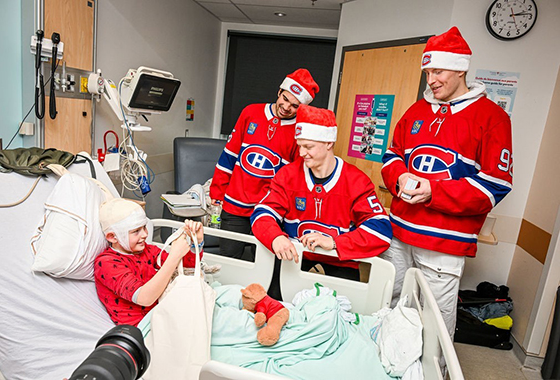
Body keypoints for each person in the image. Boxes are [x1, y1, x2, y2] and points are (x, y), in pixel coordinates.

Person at [380, 26, 513, 339]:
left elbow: (495, 185)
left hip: (443, 243)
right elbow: (391, 155)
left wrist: (432, 191)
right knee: (390, 304)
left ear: (461, 68)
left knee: (433, 324)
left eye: (438, 71)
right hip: (398, 233)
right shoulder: (416, 110)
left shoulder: (492, 118)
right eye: (427, 72)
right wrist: (399, 176)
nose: (431, 80)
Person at [251, 105, 392, 281]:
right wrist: (275, 237)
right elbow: (262, 214)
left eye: (308, 146)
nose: (302, 153)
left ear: (328, 143)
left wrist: (334, 242)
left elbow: (381, 232)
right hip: (294, 260)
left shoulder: (356, 181)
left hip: (339, 263)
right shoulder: (287, 175)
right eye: (299, 145)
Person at [210, 68, 320, 260]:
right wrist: (217, 192)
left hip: (268, 212)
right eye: (285, 99)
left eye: (294, 106)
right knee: (229, 261)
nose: (286, 107)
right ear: (279, 92)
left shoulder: (299, 131)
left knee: (262, 265)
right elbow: (229, 155)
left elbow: (295, 179)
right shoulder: (250, 112)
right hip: (235, 207)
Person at [94, 198, 204, 326]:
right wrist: (174, 256)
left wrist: (197, 241)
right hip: (146, 325)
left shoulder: (147, 250)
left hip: (165, 309)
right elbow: (144, 298)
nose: (145, 234)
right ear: (113, 237)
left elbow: (187, 266)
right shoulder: (107, 263)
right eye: (136, 231)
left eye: (144, 227)